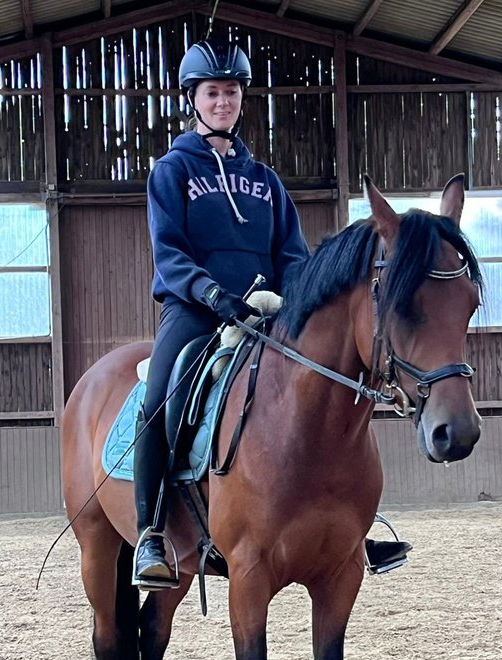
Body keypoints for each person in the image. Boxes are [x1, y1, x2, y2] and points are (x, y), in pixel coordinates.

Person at [132, 39, 411, 588]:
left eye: (231, 92)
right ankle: (150, 533)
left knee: (328, 390)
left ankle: (351, 527)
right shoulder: (171, 171)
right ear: (193, 98)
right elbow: (169, 250)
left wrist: (294, 297)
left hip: (265, 311)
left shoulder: (264, 181)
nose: (223, 102)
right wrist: (212, 294)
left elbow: (292, 255)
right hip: (196, 310)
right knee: (159, 395)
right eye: (212, 93)